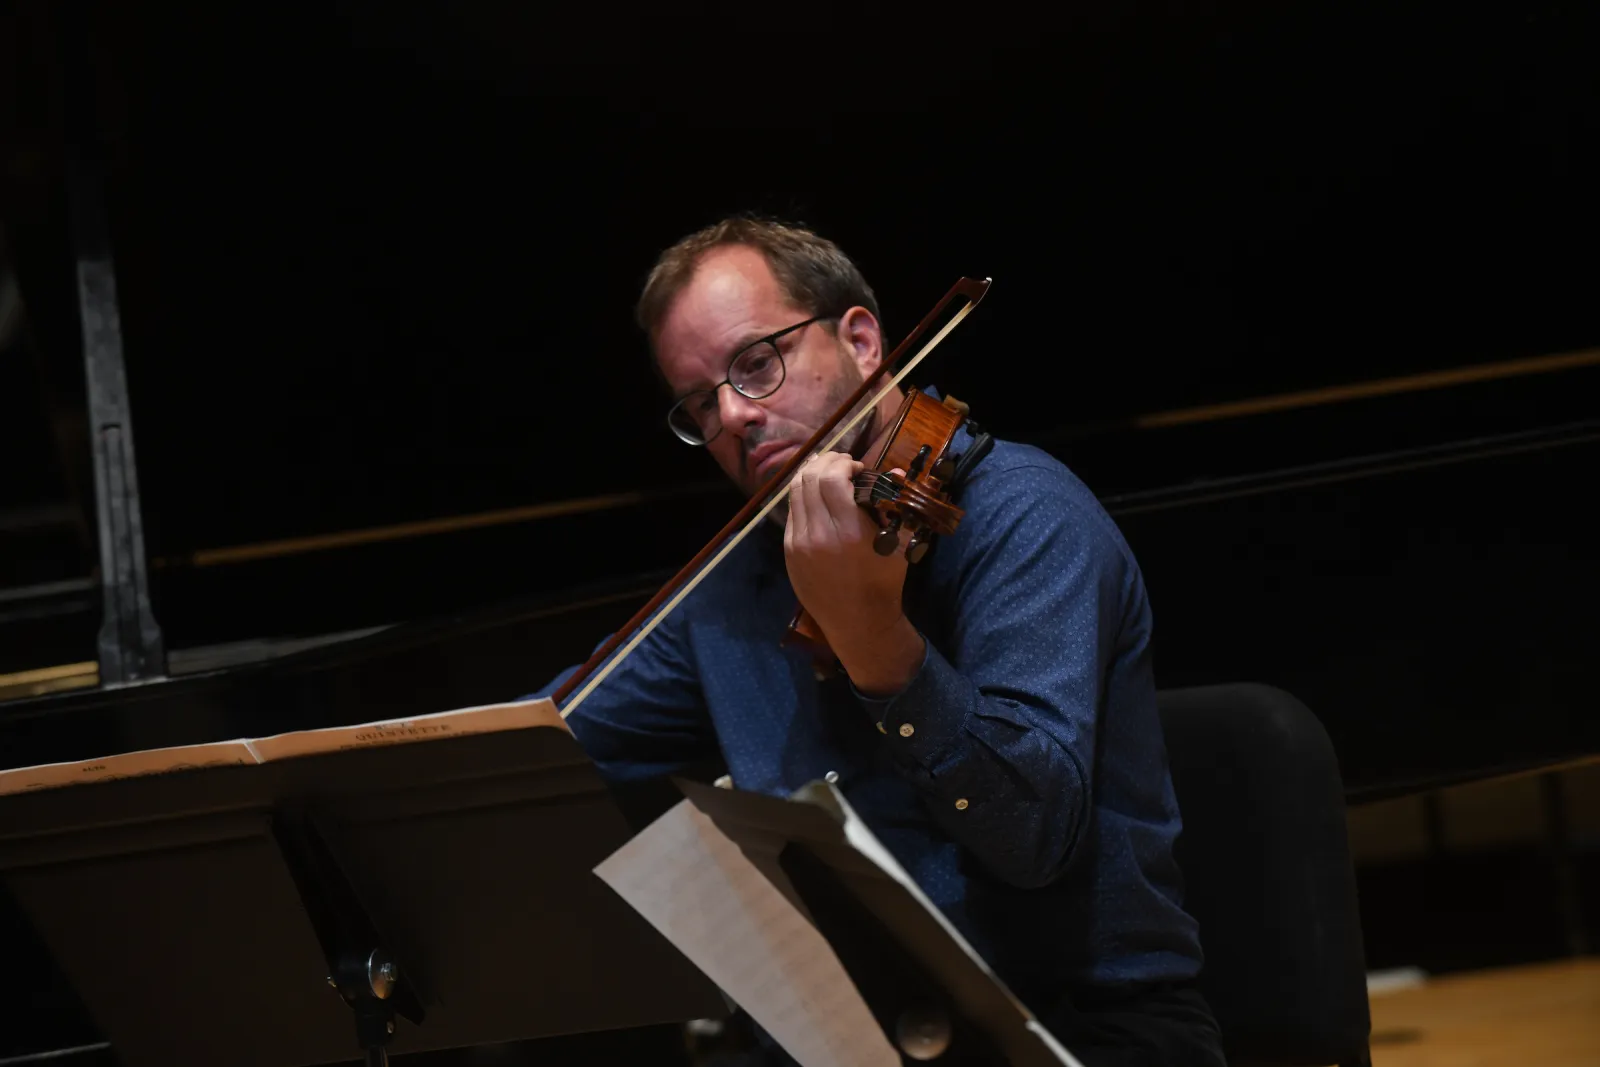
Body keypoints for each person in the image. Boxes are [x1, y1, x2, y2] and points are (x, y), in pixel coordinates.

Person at [530, 216, 1226, 1067]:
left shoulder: (1023, 518)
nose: (736, 417)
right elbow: (547, 742)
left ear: (860, 340)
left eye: (756, 363)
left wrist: (875, 640)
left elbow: (1032, 836)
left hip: (1074, 1024)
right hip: (844, 1033)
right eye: (701, 402)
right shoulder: (740, 579)